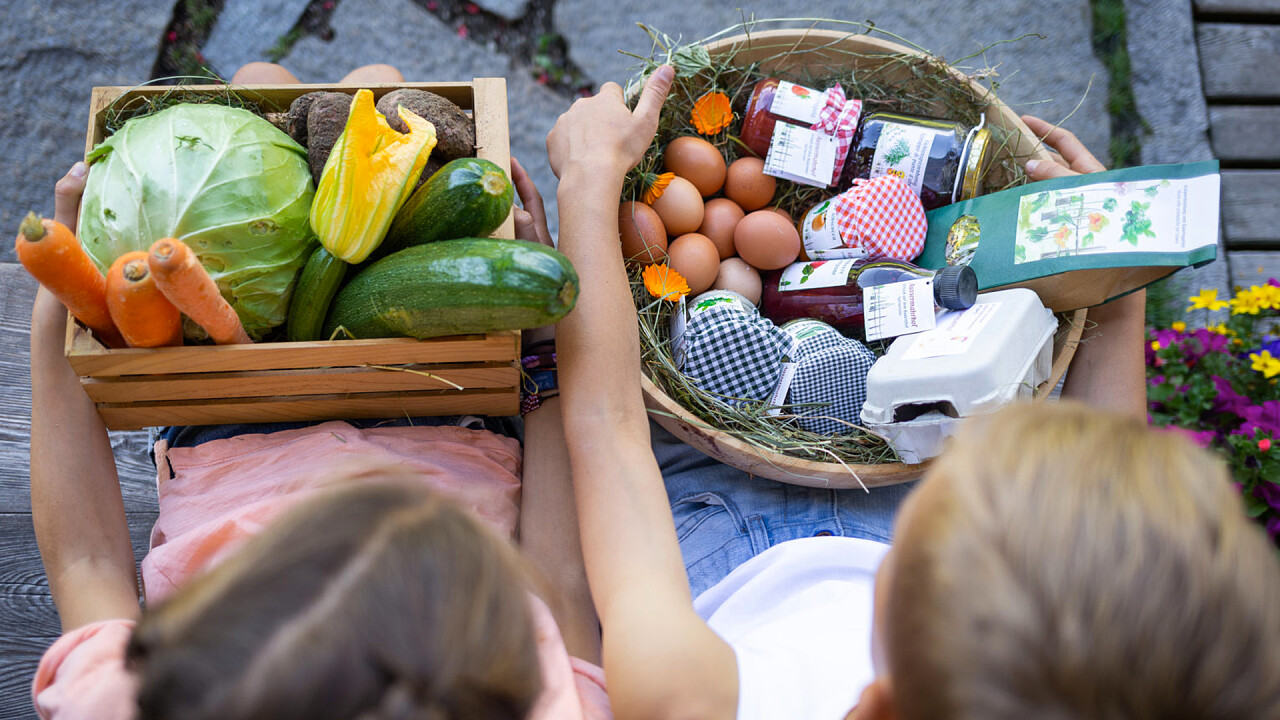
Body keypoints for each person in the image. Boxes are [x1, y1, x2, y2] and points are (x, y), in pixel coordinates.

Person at [546, 64, 1280, 719]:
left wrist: (588, 181)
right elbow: (1114, 533)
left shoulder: (689, 699)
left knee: (688, 352)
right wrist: (1113, 286)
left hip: (702, 503)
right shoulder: (1065, 660)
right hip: (897, 459)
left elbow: (609, 428)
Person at [29, 63, 607, 720]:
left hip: (228, 407)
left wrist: (62, 288)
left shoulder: (128, 703)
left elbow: (85, 562)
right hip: (447, 399)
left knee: (263, 77)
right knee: (377, 81)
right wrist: (541, 351)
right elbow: (561, 584)